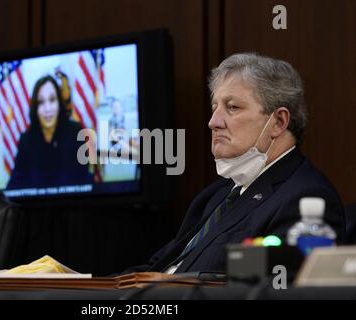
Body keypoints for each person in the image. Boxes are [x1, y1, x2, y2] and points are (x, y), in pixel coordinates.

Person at [121, 52, 346, 274]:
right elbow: (157, 268)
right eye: (214, 107)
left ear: (278, 122)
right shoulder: (216, 195)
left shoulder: (305, 197)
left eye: (232, 107)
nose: (213, 122)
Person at [6, 75, 93, 190]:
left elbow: (85, 181)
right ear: (35, 107)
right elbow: (14, 184)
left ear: (59, 103)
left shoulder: (76, 133)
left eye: (52, 100)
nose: (47, 109)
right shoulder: (26, 140)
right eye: (41, 102)